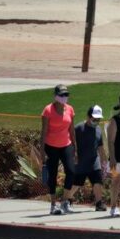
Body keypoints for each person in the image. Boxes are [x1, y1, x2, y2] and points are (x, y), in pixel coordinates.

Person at [40, 84, 77, 215]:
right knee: (53, 175)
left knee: (71, 171)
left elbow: (72, 130)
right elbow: (43, 132)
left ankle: (65, 201)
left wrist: (75, 148)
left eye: (66, 95)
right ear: (55, 96)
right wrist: (42, 151)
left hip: (66, 145)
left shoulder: (70, 109)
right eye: (61, 95)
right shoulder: (48, 110)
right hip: (51, 146)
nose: (64, 97)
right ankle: (53, 205)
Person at [65, 105, 108, 212]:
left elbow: (101, 147)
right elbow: (69, 143)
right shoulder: (79, 128)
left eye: (98, 119)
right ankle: (67, 199)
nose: (96, 121)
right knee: (77, 184)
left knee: (97, 181)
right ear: (88, 116)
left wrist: (105, 162)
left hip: (94, 161)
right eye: (94, 119)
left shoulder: (98, 129)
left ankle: (99, 203)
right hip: (80, 162)